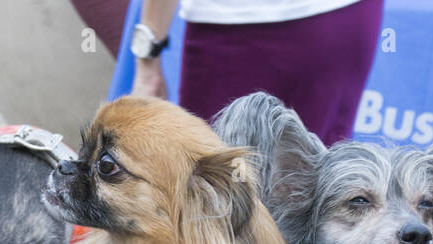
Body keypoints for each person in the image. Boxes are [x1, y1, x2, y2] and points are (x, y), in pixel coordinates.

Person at [129, 0, 385, 144]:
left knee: (213, 203)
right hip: (350, 18)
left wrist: (148, 53)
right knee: (313, 192)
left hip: (243, 23)